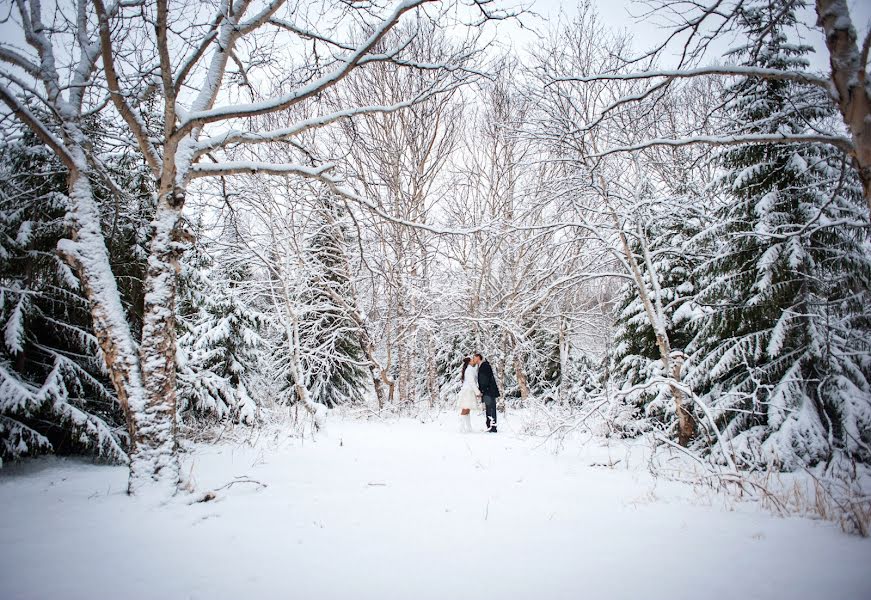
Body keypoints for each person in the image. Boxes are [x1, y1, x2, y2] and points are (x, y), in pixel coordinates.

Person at [473, 352, 500, 432]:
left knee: (491, 409)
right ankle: (490, 426)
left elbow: (484, 380)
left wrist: (482, 390)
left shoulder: (484, 366)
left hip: (489, 391)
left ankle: (493, 427)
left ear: (478, 357)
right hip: (487, 392)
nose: (473, 359)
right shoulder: (482, 366)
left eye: (474, 357)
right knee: (489, 409)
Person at [456, 356, 479, 433]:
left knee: (467, 409)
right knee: (465, 409)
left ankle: (469, 428)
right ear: (469, 362)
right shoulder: (469, 370)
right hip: (468, 391)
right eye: (472, 360)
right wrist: (478, 392)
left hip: (469, 390)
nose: (473, 361)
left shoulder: (470, 369)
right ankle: (460, 428)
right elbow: (472, 382)